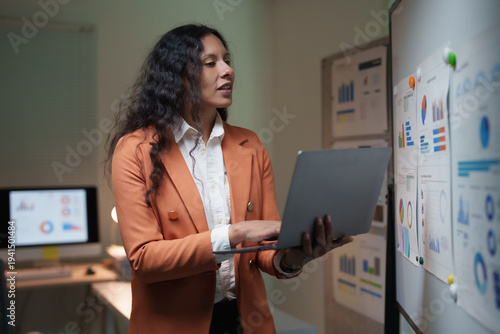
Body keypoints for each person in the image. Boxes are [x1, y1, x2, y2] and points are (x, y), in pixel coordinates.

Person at [107, 24, 352, 334]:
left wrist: (295, 256)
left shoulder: (250, 146)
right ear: (177, 77)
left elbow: (264, 250)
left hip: (243, 322)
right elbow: (145, 260)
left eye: (227, 59)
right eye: (211, 63)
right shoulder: (135, 150)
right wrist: (236, 232)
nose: (228, 70)